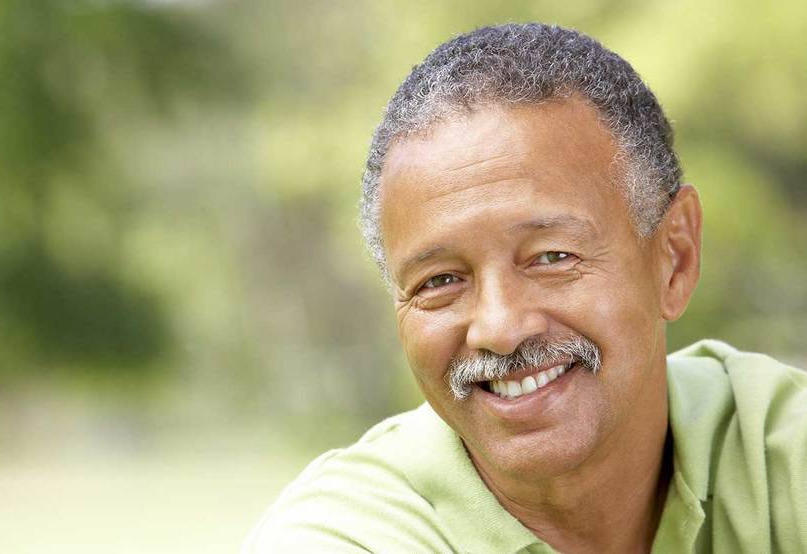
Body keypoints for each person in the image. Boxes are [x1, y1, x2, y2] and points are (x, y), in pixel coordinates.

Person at [244, 23, 807, 553]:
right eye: (440, 281)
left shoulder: (779, 455)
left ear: (675, 257)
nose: (499, 328)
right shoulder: (347, 536)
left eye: (551, 257)